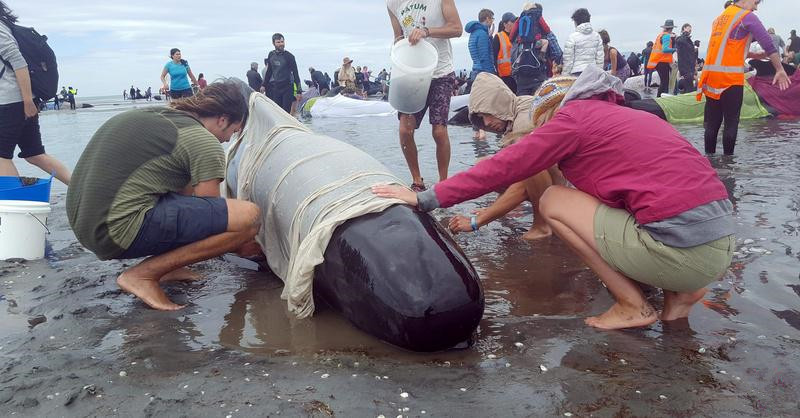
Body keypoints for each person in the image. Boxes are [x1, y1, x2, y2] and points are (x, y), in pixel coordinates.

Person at [373, 66, 736, 330]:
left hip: (681, 249)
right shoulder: (623, 117)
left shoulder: (572, 120)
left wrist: (425, 199)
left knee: (554, 201)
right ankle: (679, 294)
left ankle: (632, 305)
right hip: (719, 242)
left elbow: (501, 168)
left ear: (551, 112)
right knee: (625, 204)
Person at [66, 80, 260, 311]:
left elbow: (186, 201)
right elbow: (214, 218)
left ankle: (170, 269)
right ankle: (142, 275)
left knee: (185, 195)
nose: (229, 140)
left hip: (86, 225)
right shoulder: (203, 140)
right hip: (116, 230)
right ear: (222, 119)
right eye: (233, 131)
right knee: (249, 217)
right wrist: (247, 243)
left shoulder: (162, 116)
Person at [453, 73, 571, 239]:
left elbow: (526, 174)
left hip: (573, 188)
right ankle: (524, 207)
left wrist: (478, 221)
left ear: (499, 103)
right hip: (560, 183)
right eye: (481, 118)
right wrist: (495, 209)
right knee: (485, 164)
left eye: (487, 114)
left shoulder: (523, 123)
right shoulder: (517, 106)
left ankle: (542, 226)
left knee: (528, 162)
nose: (486, 123)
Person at [698, 0, 791, 155]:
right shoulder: (746, 17)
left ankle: (709, 162)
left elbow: (729, 47)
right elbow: (768, 43)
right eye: (755, 2)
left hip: (711, 78)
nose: (755, 7)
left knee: (712, 124)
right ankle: (728, 168)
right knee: (731, 123)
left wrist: (754, 54)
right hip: (730, 79)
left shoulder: (720, 18)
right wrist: (780, 69)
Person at [387, 0, 462, 191]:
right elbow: (398, 36)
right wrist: (399, 49)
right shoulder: (392, 4)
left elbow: (456, 28)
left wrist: (426, 31)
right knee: (405, 129)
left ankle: (444, 182)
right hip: (413, 73)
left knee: (439, 130)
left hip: (441, 72)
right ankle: (417, 181)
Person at [0, 1, 71, 185]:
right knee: (35, 154)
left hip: (12, 102)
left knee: (1, 156)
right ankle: (84, 191)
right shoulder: (5, 26)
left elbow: (19, 62)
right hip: (19, 101)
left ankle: (13, 205)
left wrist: (27, 101)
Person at [260, 33, 302, 113]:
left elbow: (296, 74)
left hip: (288, 87)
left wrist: (299, 91)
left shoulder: (289, 56)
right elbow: (269, 72)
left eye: (282, 42)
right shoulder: (271, 55)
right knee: (277, 111)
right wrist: (263, 85)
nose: (281, 44)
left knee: (285, 112)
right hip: (276, 88)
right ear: (273, 43)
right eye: (278, 42)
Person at [562, 8, 604, 76]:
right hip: (593, 72)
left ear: (576, 21)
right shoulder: (597, 36)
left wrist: (565, 75)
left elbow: (568, 60)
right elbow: (600, 58)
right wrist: (599, 73)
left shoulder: (572, 37)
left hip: (577, 73)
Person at [646, 20, 677, 97]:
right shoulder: (666, 36)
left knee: (663, 82)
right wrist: (676, 49)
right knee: (665, 82)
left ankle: (659, 98)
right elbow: (665, 49)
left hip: (658, 61)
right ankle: (660, 99)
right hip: (662, 62)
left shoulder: (660, 35)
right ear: (671, 28)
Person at [465, 9, 496, 82]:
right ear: (487, 18)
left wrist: (490, 37)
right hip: (484, 72)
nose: (492, 21)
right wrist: (492, 74)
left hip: (477, 70)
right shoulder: (482, 34)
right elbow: (484, 57)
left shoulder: (475, 32)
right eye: (492, 18)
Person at [493, 12, 517, 93]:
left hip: (516, 74)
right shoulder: (498, 37)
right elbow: (494, 57)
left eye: (515, 21)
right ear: (505, 24)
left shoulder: (518, 36)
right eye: (512, 21)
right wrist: (497, 75)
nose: (514, 23)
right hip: (504, 76)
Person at [676, 23, 697, 94]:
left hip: (690, 67)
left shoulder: (688, 40)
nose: (690, 29)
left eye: (691, 29)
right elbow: (679, 41)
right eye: (688, 28)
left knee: (689, 85)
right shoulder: (681, 39)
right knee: (689, 87)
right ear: (683, 28)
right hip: (685, 67)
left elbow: (691, 54)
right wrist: (685, 34)